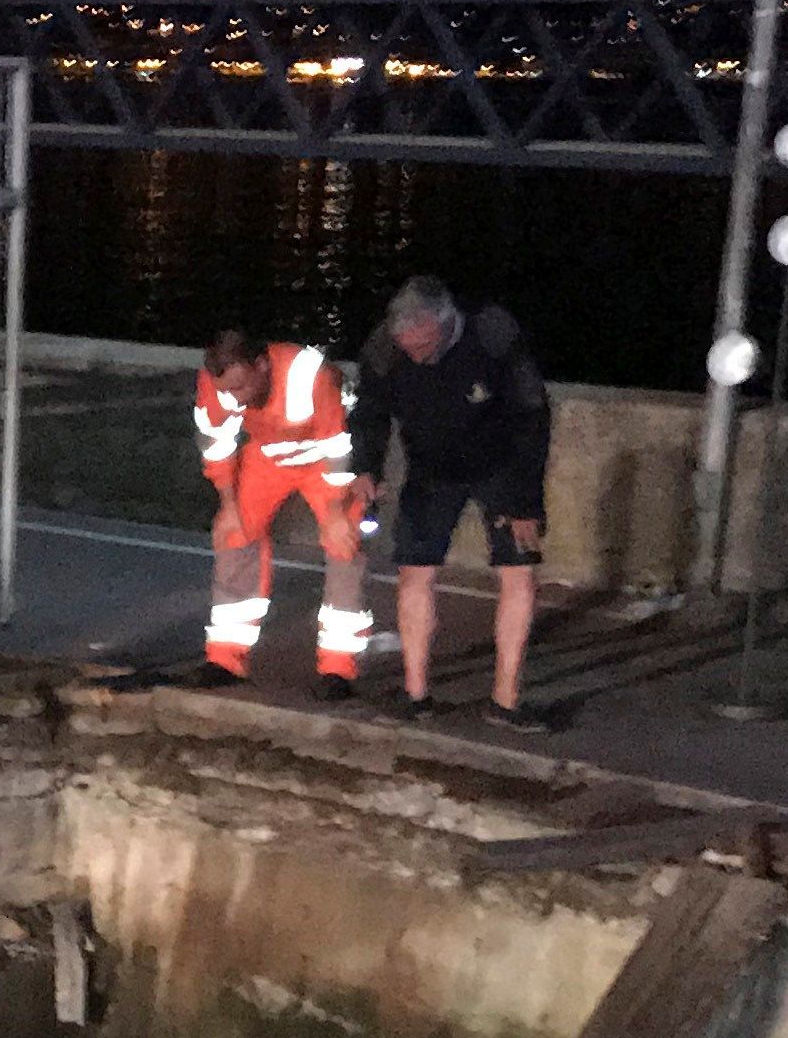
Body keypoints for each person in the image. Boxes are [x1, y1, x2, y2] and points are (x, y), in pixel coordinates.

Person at [349, 277, 553, 731]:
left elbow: (532, 417)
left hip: (499, 465)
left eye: (424, 348)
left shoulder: (492, 334)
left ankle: (506, 701)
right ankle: (416, 693)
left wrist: (525, 502)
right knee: (414, 572)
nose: (417, 358)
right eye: (408, 350)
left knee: (519, 573)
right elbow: (369, 411)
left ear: (445, 325)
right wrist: (366, 468)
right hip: (431, 469)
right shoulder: (385, 349)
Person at [192, 328, 377, 696]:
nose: (235, 399)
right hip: (267, 454)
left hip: (324, 460)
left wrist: (338, 513)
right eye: (227, 391)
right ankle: (226, 657)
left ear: (262, 365)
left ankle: (338, 668)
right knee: (234, 534)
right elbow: (217, 446)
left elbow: (338, 446)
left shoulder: (310, 374)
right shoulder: (218, 381)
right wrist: (229, 507)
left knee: (344, 543)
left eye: (242, 388)